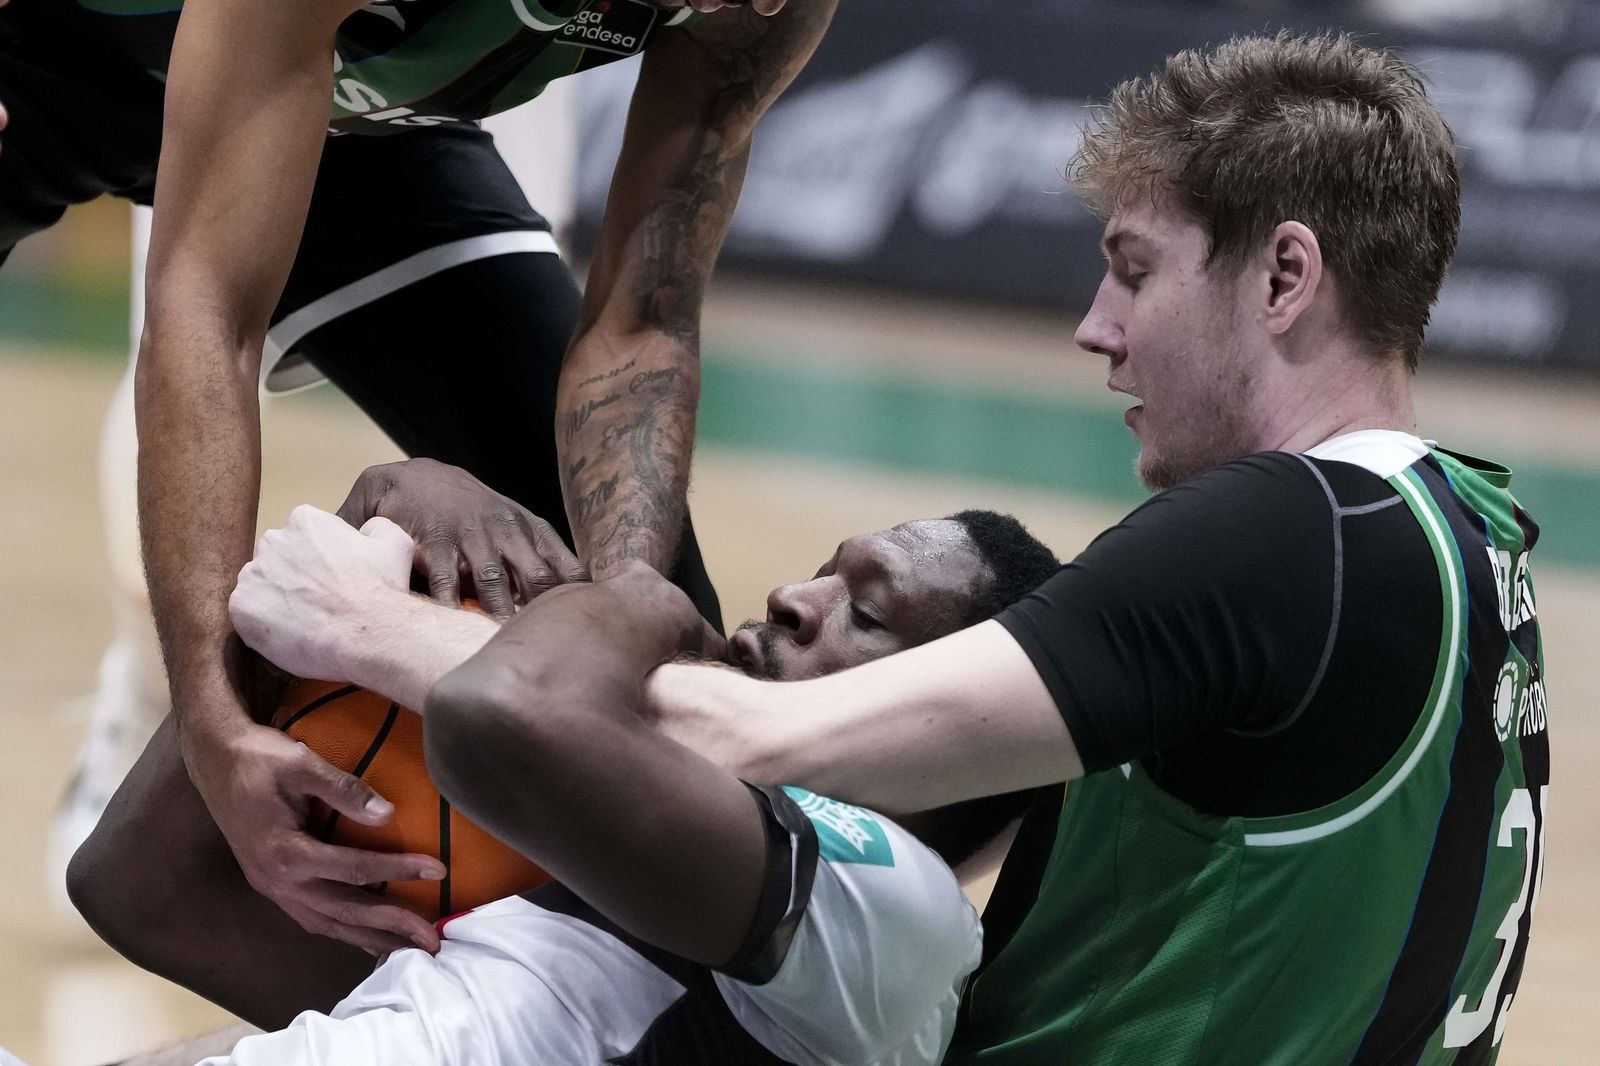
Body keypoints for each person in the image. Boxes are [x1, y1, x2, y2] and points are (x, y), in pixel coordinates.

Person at [634, 31, 1552, 1063]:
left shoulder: (1282, 534)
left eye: (1133, 272)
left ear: (1284, 277)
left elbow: (748, 736)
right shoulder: (1472, 530)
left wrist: (497, 633)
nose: (1094, 327)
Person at [7, 0, 838, 956]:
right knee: (213, 726)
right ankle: (154, 700)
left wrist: (623, 626)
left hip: (347, 119)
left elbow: (641, 320)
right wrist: (210, 712)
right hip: (57, 55)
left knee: (660, 680)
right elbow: (207, 312)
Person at [66, 500, 1060, 1059]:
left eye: (867, 613)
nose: (792, 597)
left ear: (959, 735)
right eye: (825, 571)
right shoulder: (607, 902)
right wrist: (369, 546)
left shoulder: (900, 911)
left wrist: (636, 594)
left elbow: (513, 709)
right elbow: (139, 888)